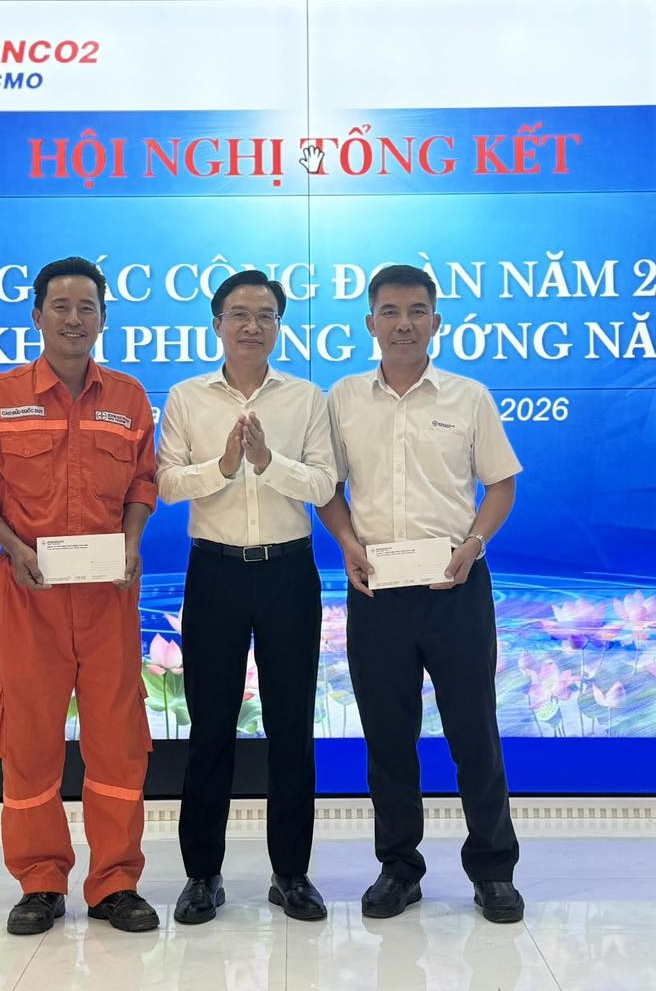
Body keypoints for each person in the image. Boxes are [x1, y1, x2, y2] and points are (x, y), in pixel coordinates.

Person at [0, 256, 161, 936]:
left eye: (87, 307)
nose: (75, 319)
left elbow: (143, 483)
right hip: (27, 594)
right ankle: (39, 880)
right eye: (61, 306)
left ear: (103, 318)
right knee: (30, 740)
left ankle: (115, 882)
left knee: (118, 742)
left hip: (107, 598)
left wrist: (132, 540)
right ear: (37, 315)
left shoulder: (129, 398)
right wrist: (14, 547)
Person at [316, 264, 526, 924]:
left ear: (436, 322)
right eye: (390, 311)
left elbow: (500, 484)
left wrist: (475, 544)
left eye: (415, 312)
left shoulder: (468, 397)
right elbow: (326, 488)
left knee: (474, 732)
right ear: (370, 323)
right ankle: (398, 869)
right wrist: (346, 542)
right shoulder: (343, 399)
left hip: (455, 584)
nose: (403, 324)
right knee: (387, 737)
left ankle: (493, 871)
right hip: (377, 588)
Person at [157, 270, 337, 925]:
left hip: (289, 573)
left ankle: (291, 873)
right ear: (217, 324)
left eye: (265, 315)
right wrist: (224, 467)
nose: (252, 325)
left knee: (292, 727)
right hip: (216, 573)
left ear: (279, 326)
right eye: (239, 314)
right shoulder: (186, 397)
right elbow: (167, 484)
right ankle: (202, 874)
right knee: (210, 728)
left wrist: (267, 462)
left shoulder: (306, 398)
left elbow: (324, 485)